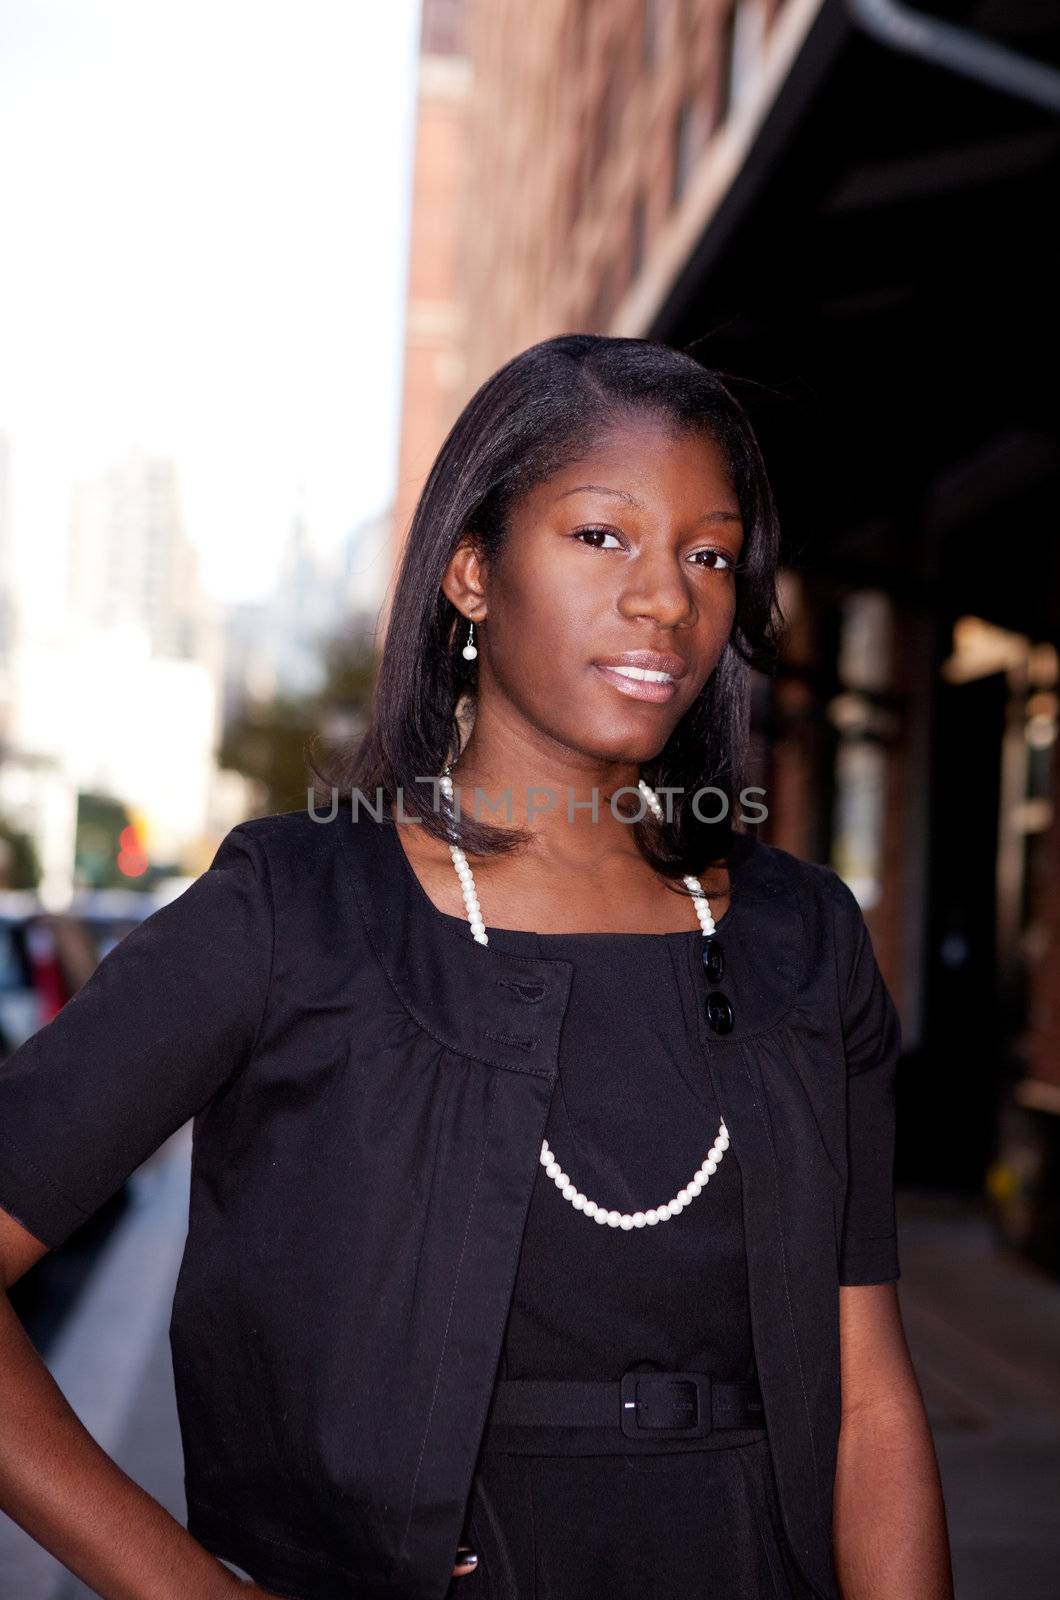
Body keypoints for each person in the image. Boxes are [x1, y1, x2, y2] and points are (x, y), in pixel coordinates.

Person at [0, 334, 954, 1600]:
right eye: (600, 536)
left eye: (707, 553)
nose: (665, 598)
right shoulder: (297, 907)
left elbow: (871, 1401)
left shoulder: (801, 934)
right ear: (468, 572)